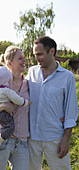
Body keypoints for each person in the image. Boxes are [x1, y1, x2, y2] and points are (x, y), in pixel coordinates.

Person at [26, 36, 78, 170]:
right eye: (35, 54)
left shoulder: (67, 77)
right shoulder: (31, 72)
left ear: (52, 51)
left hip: (55, 137)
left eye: (40, 54)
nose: (36, 58)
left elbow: (71, 110)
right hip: (31, 137)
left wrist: (66, 139)